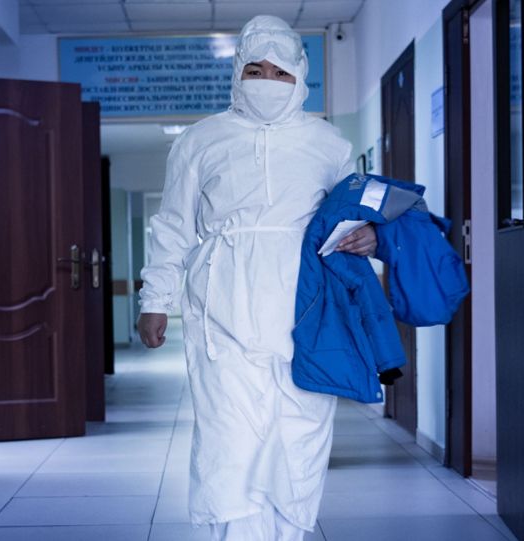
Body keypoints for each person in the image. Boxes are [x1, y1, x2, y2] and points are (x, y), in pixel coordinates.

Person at [137, 15, 377, 541]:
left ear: (300, 76)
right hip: (222, 307)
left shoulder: (328, 144)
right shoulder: (201, 140)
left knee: (299, 432)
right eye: (255, 69)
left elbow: (350, 218)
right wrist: (155, 298)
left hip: (306, 307)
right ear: (237, 74)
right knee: (230, 439)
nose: (267, 81)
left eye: (280, 72)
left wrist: (370, 236)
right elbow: (173, 224)